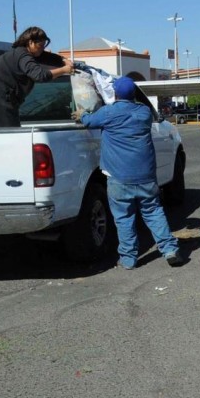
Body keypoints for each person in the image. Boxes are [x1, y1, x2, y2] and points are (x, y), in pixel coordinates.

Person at [74, 76, 183, 270]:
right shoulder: (144, 112)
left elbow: (89, 122)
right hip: (146, 176)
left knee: (124, 217)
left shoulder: (108, 113)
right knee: (154, 212)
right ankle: (169, 250)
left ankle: (129, 258)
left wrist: (81, 114)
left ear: (114, 94)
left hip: (119, 177)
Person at [0, 26, 74, 127]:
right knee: (8, 133)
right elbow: (40, 76)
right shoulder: (24, 56)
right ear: (30, 42)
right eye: (41, 45)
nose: (43, 48)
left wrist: (63, 60)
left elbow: (47, 57)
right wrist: (64, 70)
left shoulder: (18, 52)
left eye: (44, 45)